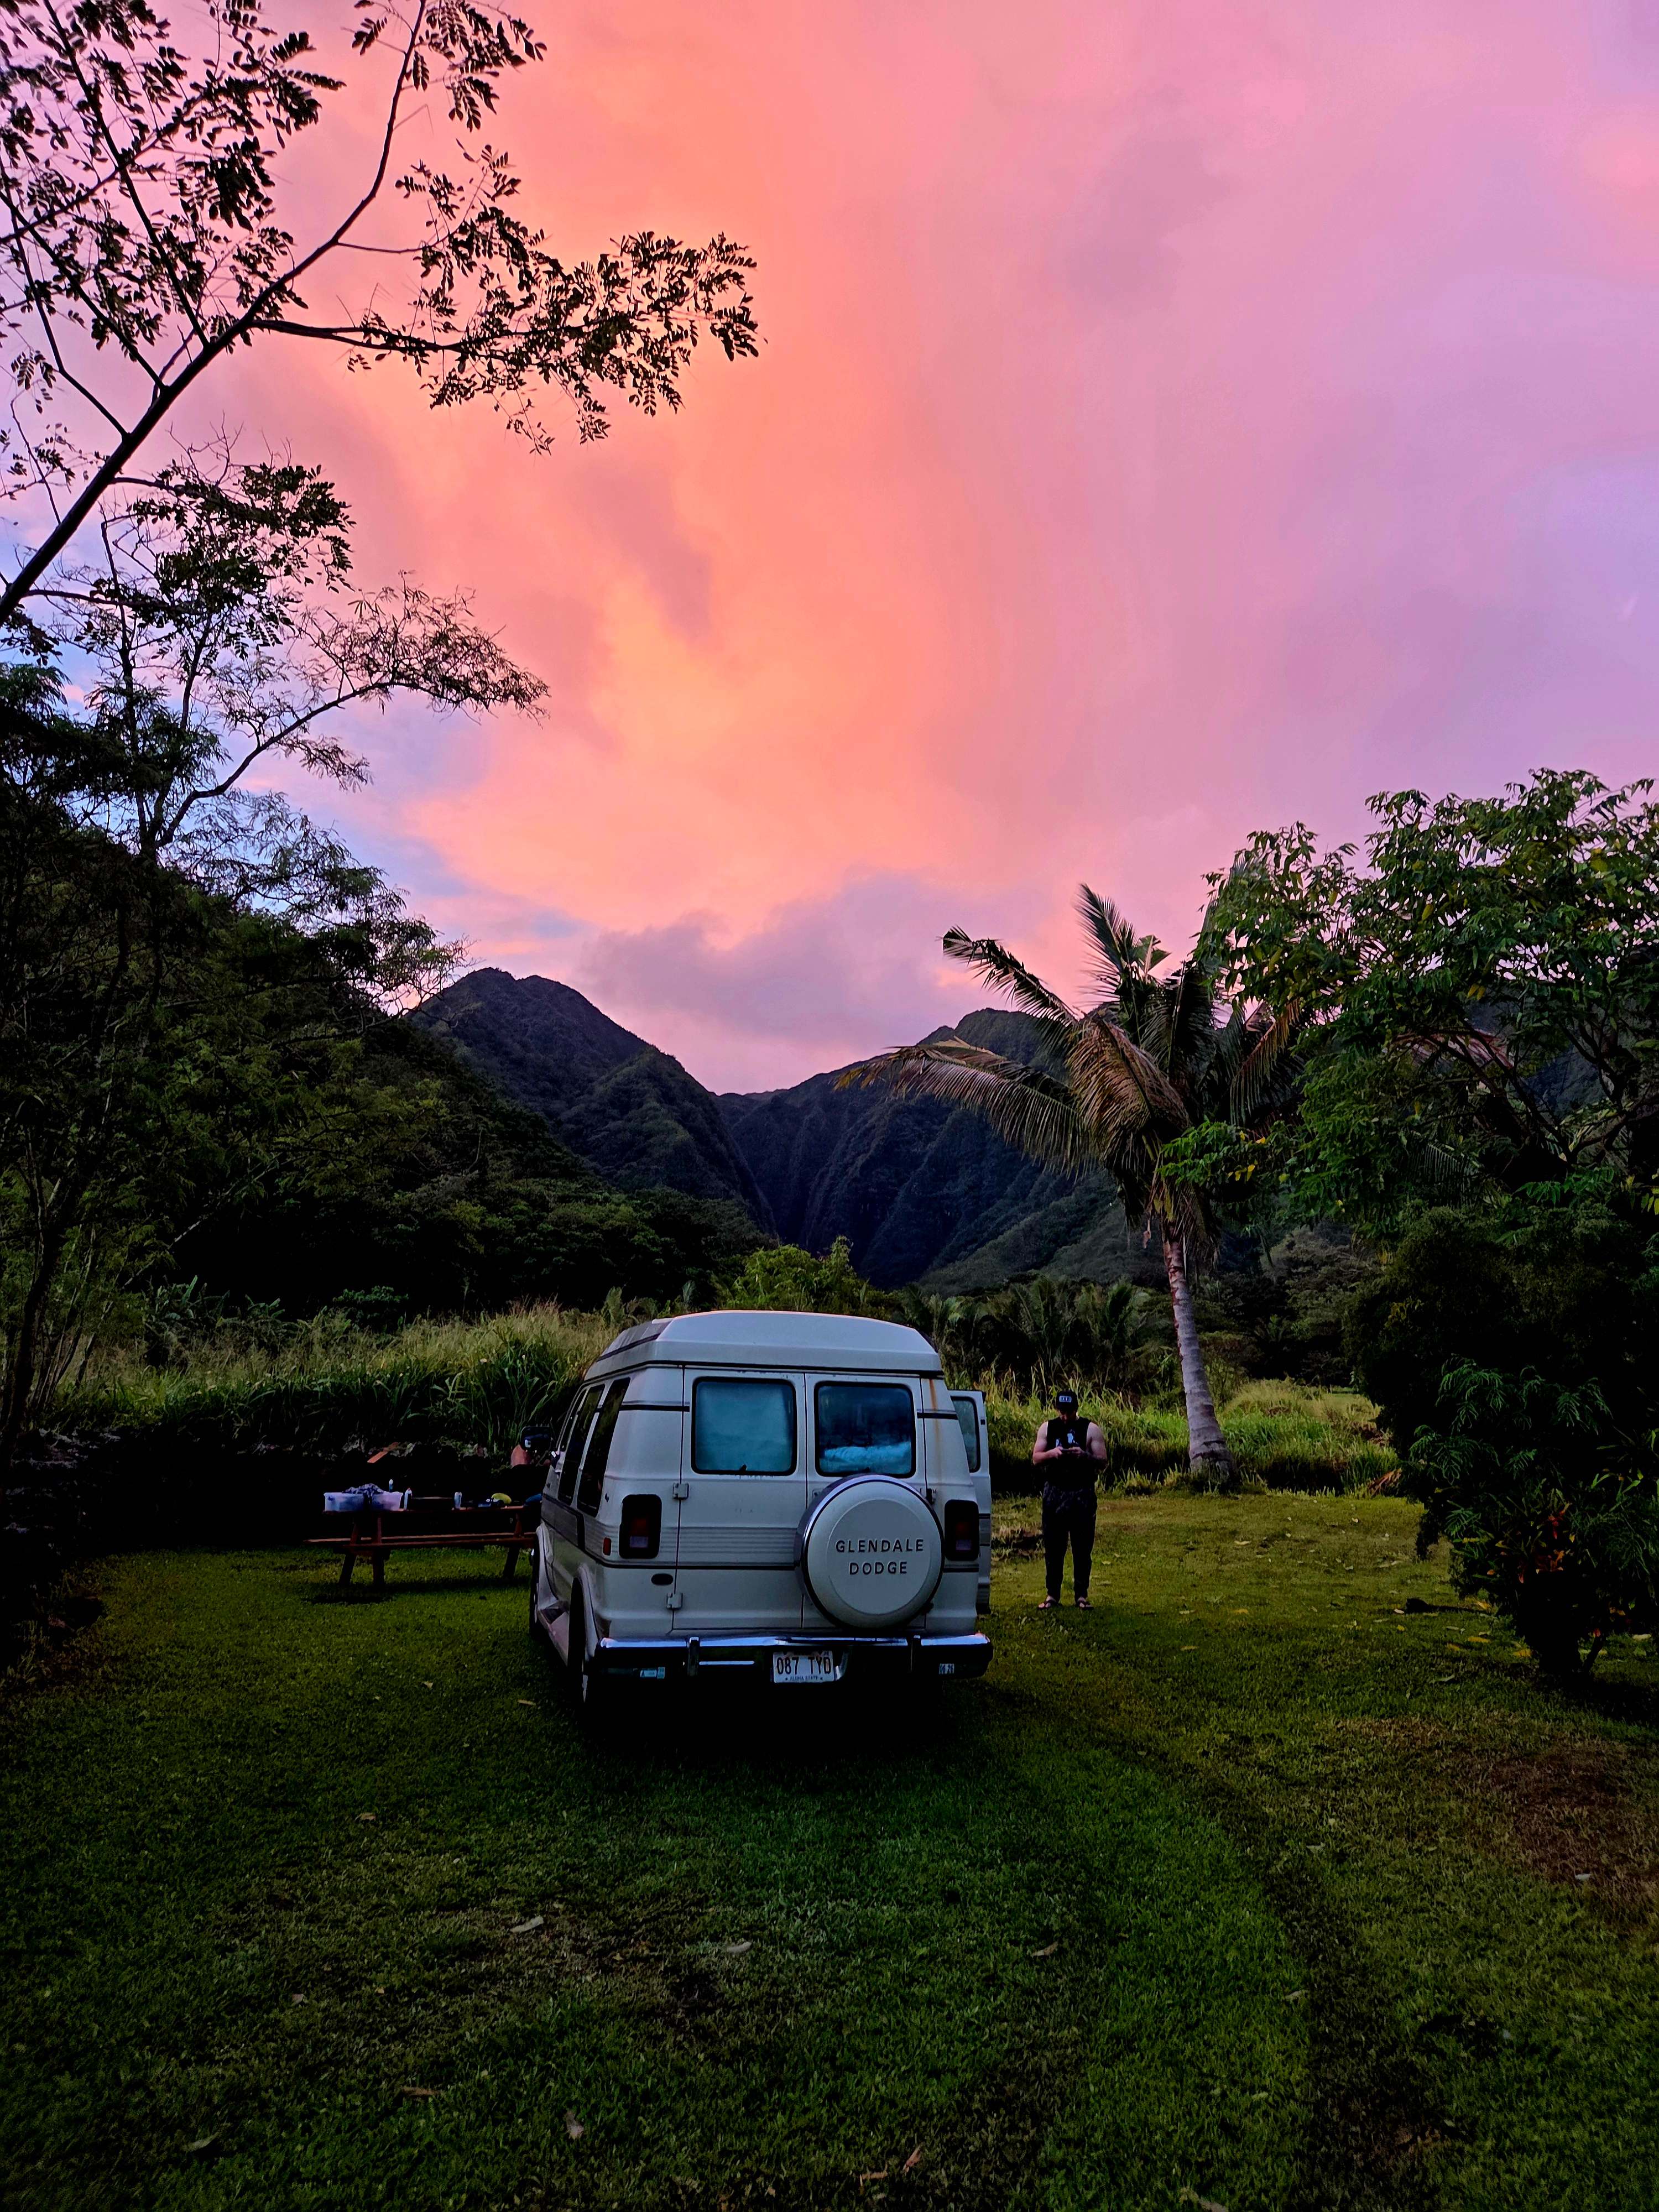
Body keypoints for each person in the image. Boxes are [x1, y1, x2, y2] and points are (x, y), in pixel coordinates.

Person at [1032, 1387, 1105, 1609]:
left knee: (1083, 1547)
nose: (1065, 1416)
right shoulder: (1048, 1428)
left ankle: (1081, 1595)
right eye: (1062, 1412)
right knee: (1054, 1547)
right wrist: (1052, 1454)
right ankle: (1052, 1595)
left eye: (1069, 1412)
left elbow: (1103, 1462)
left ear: (1076, 1409)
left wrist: (1084, 1457)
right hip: (1055, 1493)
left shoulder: (1091, 1429)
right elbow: (1036, 1458)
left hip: (1082, 1493)